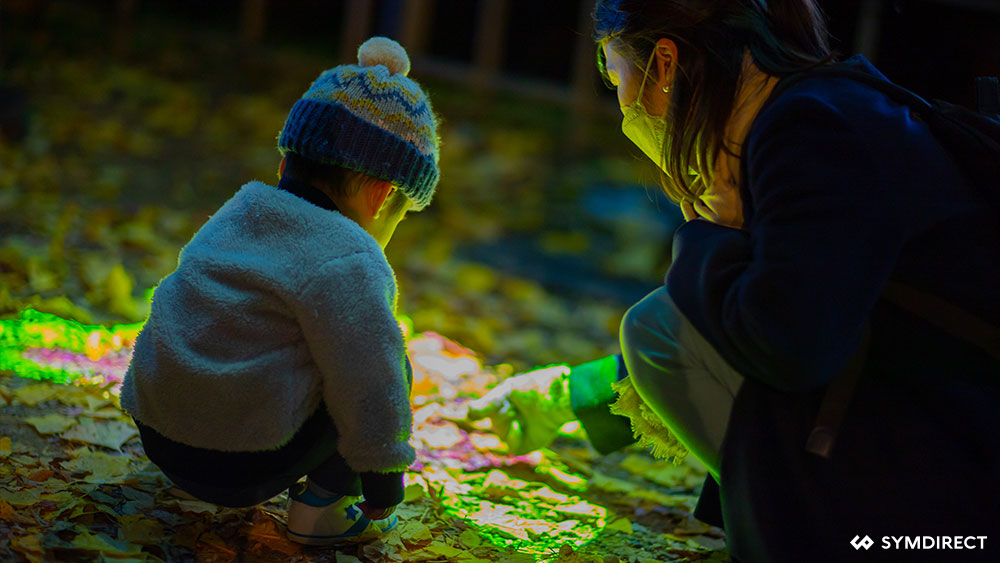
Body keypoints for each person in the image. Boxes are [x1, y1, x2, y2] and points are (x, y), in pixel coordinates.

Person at [469, 1, 1000, 561]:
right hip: (944, 442)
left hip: (955, 495)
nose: (622, 109)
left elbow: (783, 346)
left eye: (614, 75)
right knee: (661, 324)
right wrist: (569, 397)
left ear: (665, 65)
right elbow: (778, 319)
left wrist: (705, 236)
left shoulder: (810, 130)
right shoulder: (823, 107)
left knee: (656, 323)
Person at [120, 36, 440, 546]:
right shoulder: (351, 257)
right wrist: (384, 483)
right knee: (380, 355)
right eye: (402, 214)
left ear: (285, 163)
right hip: (239, 467)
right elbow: (373, 386)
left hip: (160, 434)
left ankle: (197, 460)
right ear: (382, 197)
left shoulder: (241, 209)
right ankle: (322, 510)